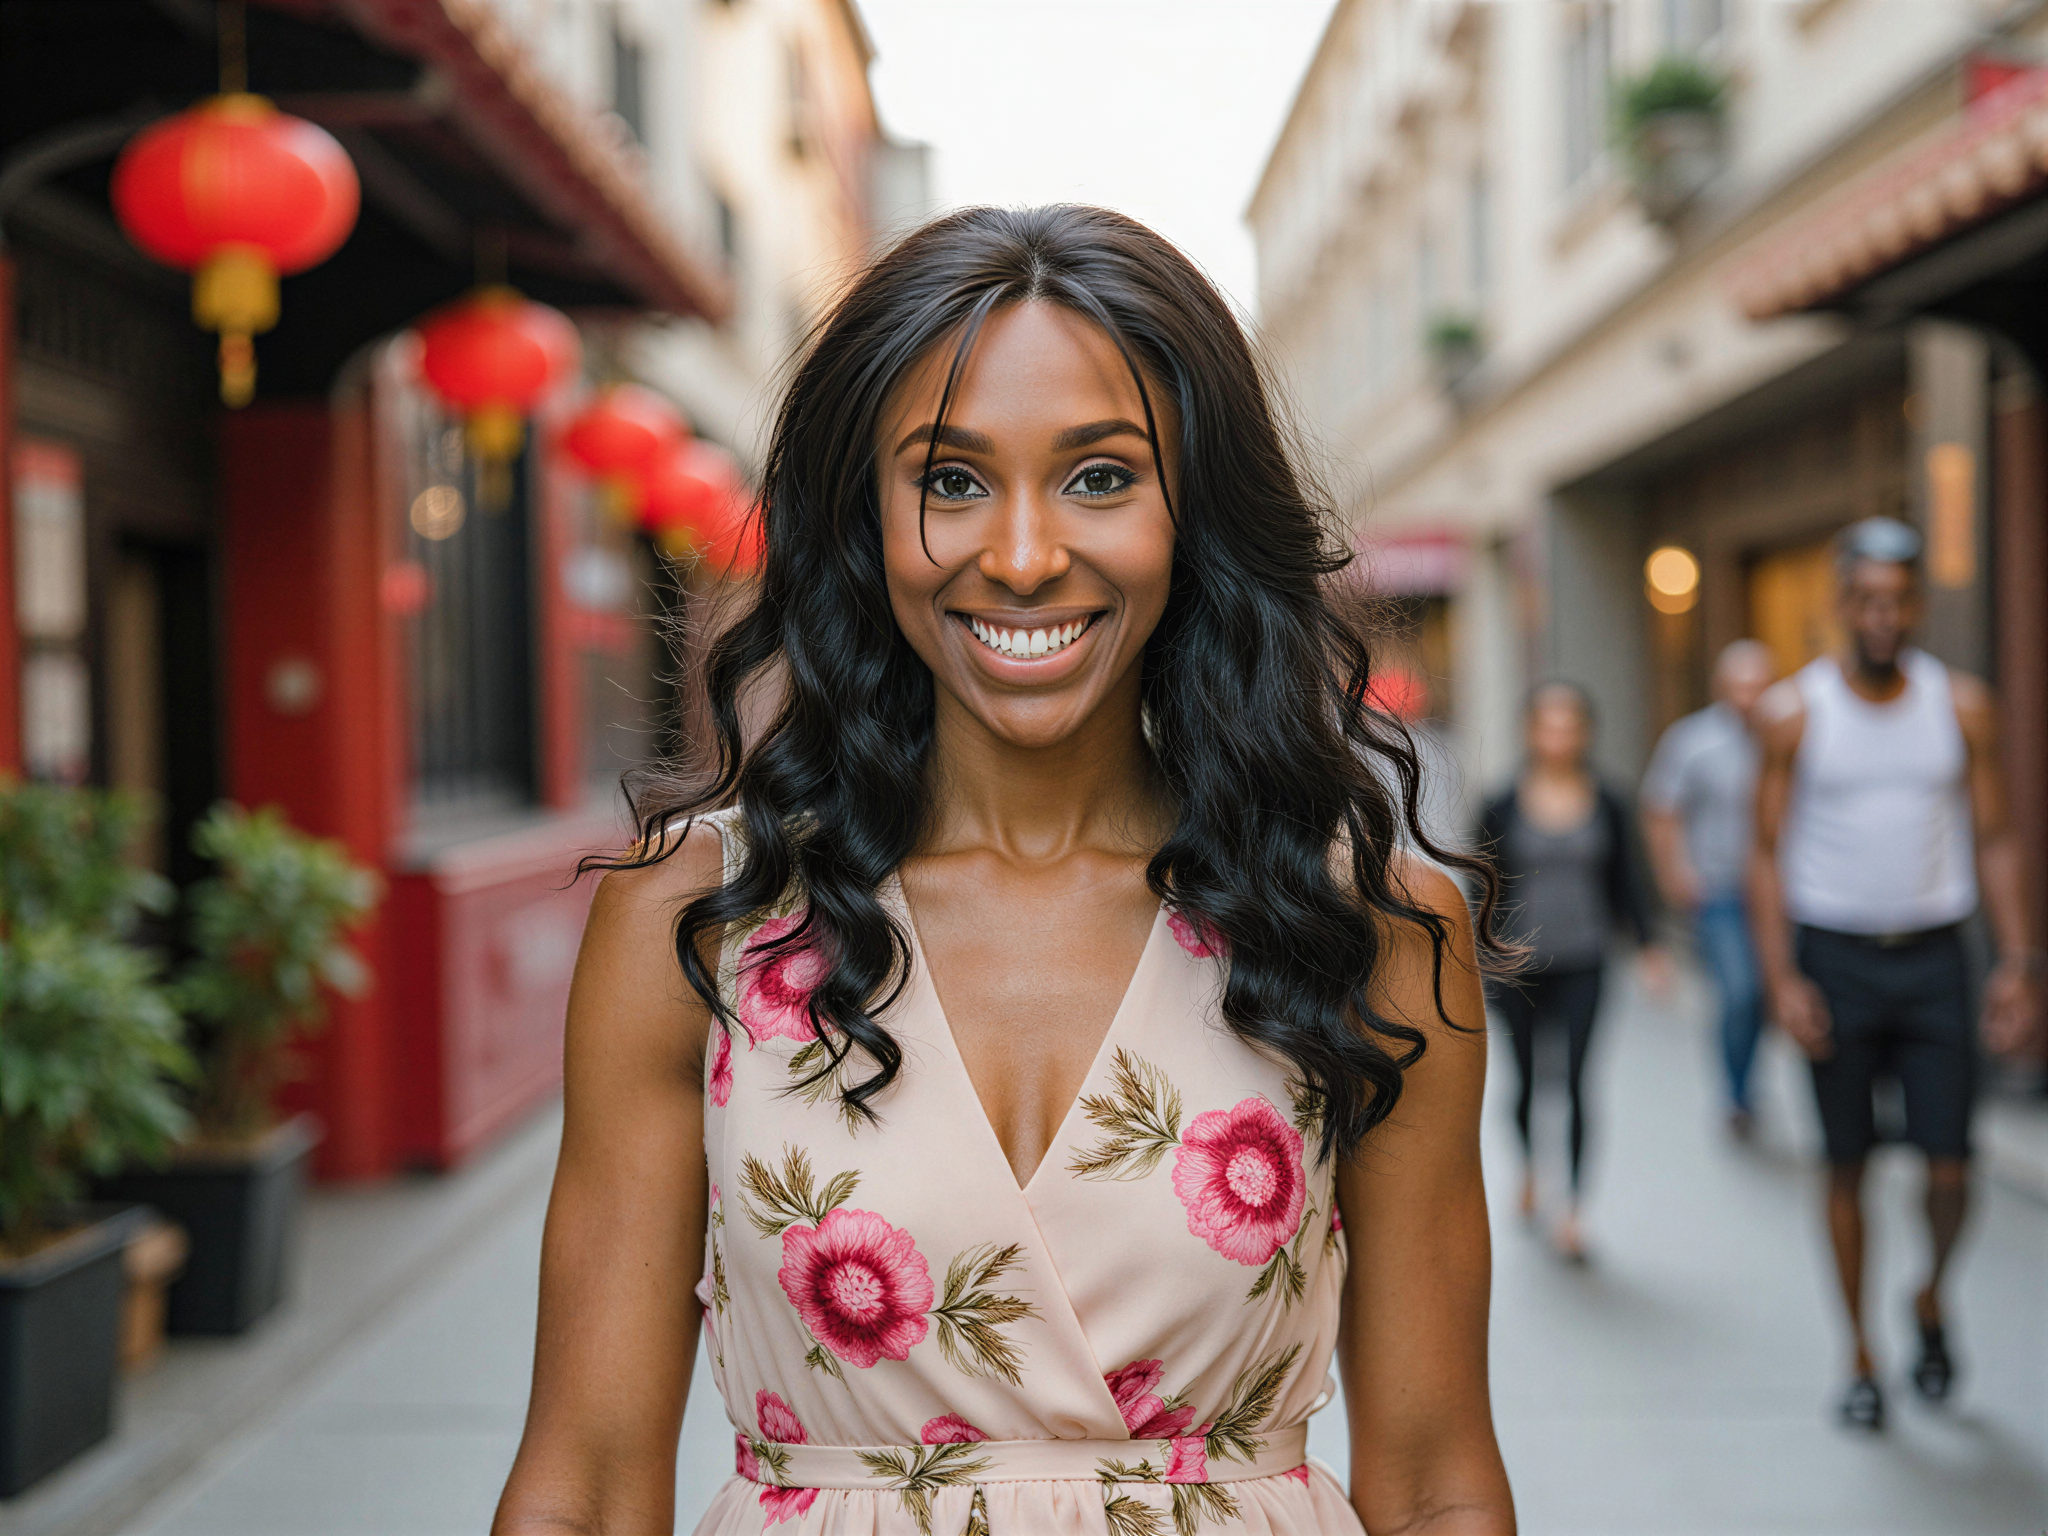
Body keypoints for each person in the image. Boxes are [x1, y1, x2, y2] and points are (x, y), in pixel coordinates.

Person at [493, 207, 1517, 1536]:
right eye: (953, 481)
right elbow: (583, 1478)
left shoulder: (1360, 925)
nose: (1024, 557)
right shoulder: (699, 922)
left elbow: (1438, 1475)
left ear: (1193, 514)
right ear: (862, 517)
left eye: (1100, 477)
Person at [1749, 516, 2042, 1433]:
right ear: (1841, 604)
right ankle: (1862, 1355)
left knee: (1952, 1169)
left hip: (1934, 958)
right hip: (1834, 957)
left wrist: (2019, 962)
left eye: (1899, 598)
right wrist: (1782, 980)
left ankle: (1928, 1295)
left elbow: (1994, 837)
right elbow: (1763, 855)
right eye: (1866, 598)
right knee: (1845, 1166)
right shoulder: (1796, 714)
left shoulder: (1962, 707)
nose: (1882, 615)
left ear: (1918, 603)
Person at [1478, 682, 1661, 1263]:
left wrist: (1649, 946)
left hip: (1586, 959)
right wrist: (1478, 953)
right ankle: (1532, 1167)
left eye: (1570, 724)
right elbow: (1482, 885)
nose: (1559, 735)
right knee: (1529, 1082)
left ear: (1586, 732)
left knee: (1580, 1081)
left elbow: (1629, 878)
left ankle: (1575, 1209)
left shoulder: (1607, 799)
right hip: (1517, 964)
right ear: (1530, 731)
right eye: (1547, 724)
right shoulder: (1501, 803)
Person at [1642, 640, 1778, 1137]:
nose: (1749, 697)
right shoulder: (1692, 740)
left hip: (1782, 894)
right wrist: (1677, 875)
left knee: (1769, 992)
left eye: (1759, 686)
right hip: (1720, 890)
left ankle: (1749, 1082)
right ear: (1722, 688)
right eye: (1741, 686)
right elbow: (1661, 811)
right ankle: (1736, 1094)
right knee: (1739, 992)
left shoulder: (1785, 736)